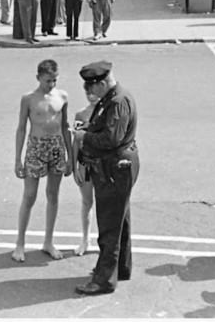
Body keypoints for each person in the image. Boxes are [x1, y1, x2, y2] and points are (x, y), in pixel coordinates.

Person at [73, 61, 139, 296]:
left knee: (109, 224)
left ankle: (103, 280)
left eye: (92, 89)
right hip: (117, 166)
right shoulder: (111, 97)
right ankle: (120, 268)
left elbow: (111, 138)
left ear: (102, 83)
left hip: (114, 168)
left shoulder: (117, 101)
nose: (90, 94)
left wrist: (84, 137)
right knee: (120, 220)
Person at [12, 59, 72, 263]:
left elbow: (65, 127)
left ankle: (48, 241)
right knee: (29, 196)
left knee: (53, 195)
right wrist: (17, 159)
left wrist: (70, 157)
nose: (51, 84)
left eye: (54, 80)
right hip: (36, 146)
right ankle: (20, 243)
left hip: (56, 147)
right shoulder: (28, 99)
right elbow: (21, 128)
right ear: (38, 78)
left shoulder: (62, 96)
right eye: (48, 80)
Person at [72, 83, 100, 256]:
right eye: (87, 92)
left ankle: (107, 240)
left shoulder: (107, 114)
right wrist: (74, 166)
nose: (91, 96)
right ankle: (85, 239)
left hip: (103, 165)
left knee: (106, 204)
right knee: (87, 202)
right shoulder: (80, 114)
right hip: (85, 163)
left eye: (94, 92)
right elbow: (76, 141)